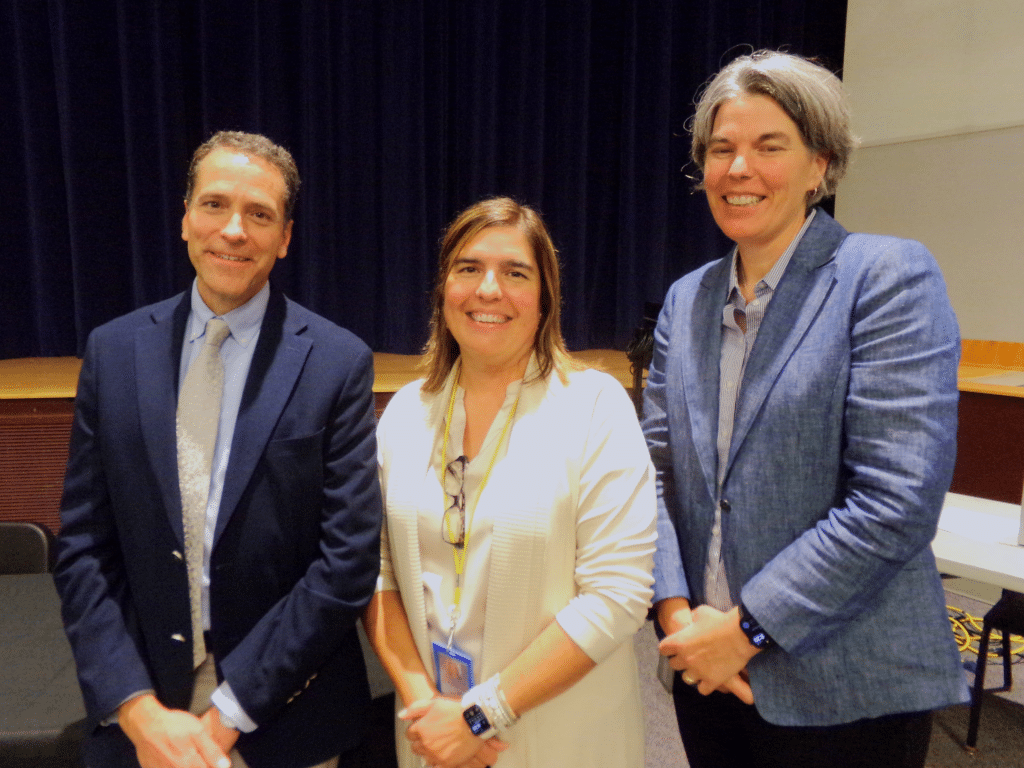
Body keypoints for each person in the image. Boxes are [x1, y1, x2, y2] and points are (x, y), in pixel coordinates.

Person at [643, 51, 969, 768]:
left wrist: (747, 628)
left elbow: (896, 499)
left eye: (770, 147)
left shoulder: (885, 276)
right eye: (722, 149)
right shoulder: (686, 299)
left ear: (820, 166)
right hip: (706, 673)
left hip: (846, 682)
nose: (738, 169)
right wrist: (679, 617)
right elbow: (654, 475)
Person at [54, 131, 382, 768]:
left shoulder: (338, 363)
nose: (233, 230)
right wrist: (134, 706)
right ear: (185, 220)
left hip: (286, 715)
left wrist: (230, 718)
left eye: (259, 214)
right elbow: (84, 550)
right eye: (214, 205)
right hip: (145, 717)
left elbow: (344, 563)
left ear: (284, 238)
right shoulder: (113, 353)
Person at [364, 196, 657, 768]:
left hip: (558, 737)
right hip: (434, 738)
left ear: (545, 296)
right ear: (443, 288)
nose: (488, 290)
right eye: (468, 268)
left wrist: (480, 715)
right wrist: (429, 708)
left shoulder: (595, 408)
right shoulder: (403, 413)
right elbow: (377, 573)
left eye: (515, 273)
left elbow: (617, 596)